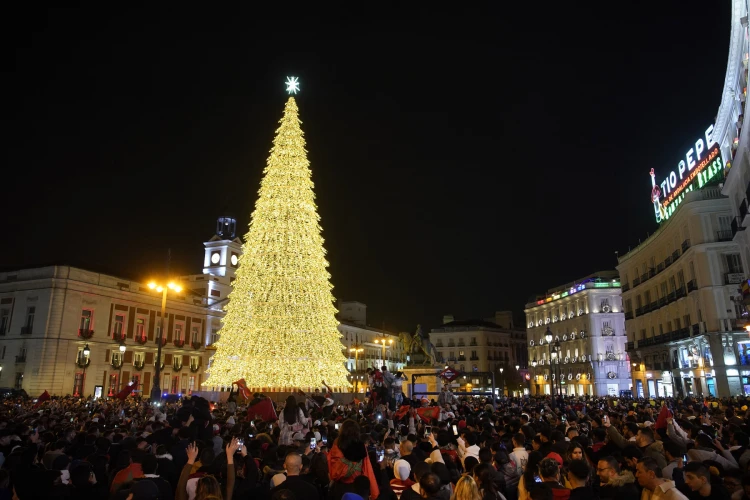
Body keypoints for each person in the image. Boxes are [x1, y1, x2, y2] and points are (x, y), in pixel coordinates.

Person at [328, 419, 380, 500]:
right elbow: (367, 470)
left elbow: (333, 472)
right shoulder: (361, 447)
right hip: (357, 489)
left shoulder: (336, 446)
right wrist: (374, 494)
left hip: (340, 489)